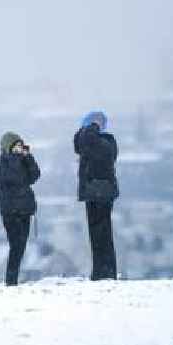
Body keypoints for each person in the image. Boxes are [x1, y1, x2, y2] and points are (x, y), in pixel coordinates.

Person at [74, 111, 119, 280]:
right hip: (92, 193)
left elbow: (105, 153)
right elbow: (78, 144)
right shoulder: (86, 144)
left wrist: (91, 128)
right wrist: (86, 130)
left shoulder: (107, 141)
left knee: (103, 233)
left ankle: (107, 271)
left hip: (103, 192)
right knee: (95, 234)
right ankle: (100, 271)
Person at [0, 131, 41, 285]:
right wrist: (17, 158)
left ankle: (12, 278)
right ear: (9, 147)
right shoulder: (1, 164)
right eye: (17, 146)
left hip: (25, 210)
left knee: (21, 245)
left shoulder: (23, 161)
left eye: (21, 145)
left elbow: (34, 176)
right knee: (16, 245)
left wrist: (28, 158)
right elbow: (13, 178)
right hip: (11, 211)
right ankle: (11, 279)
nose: (20, 148)